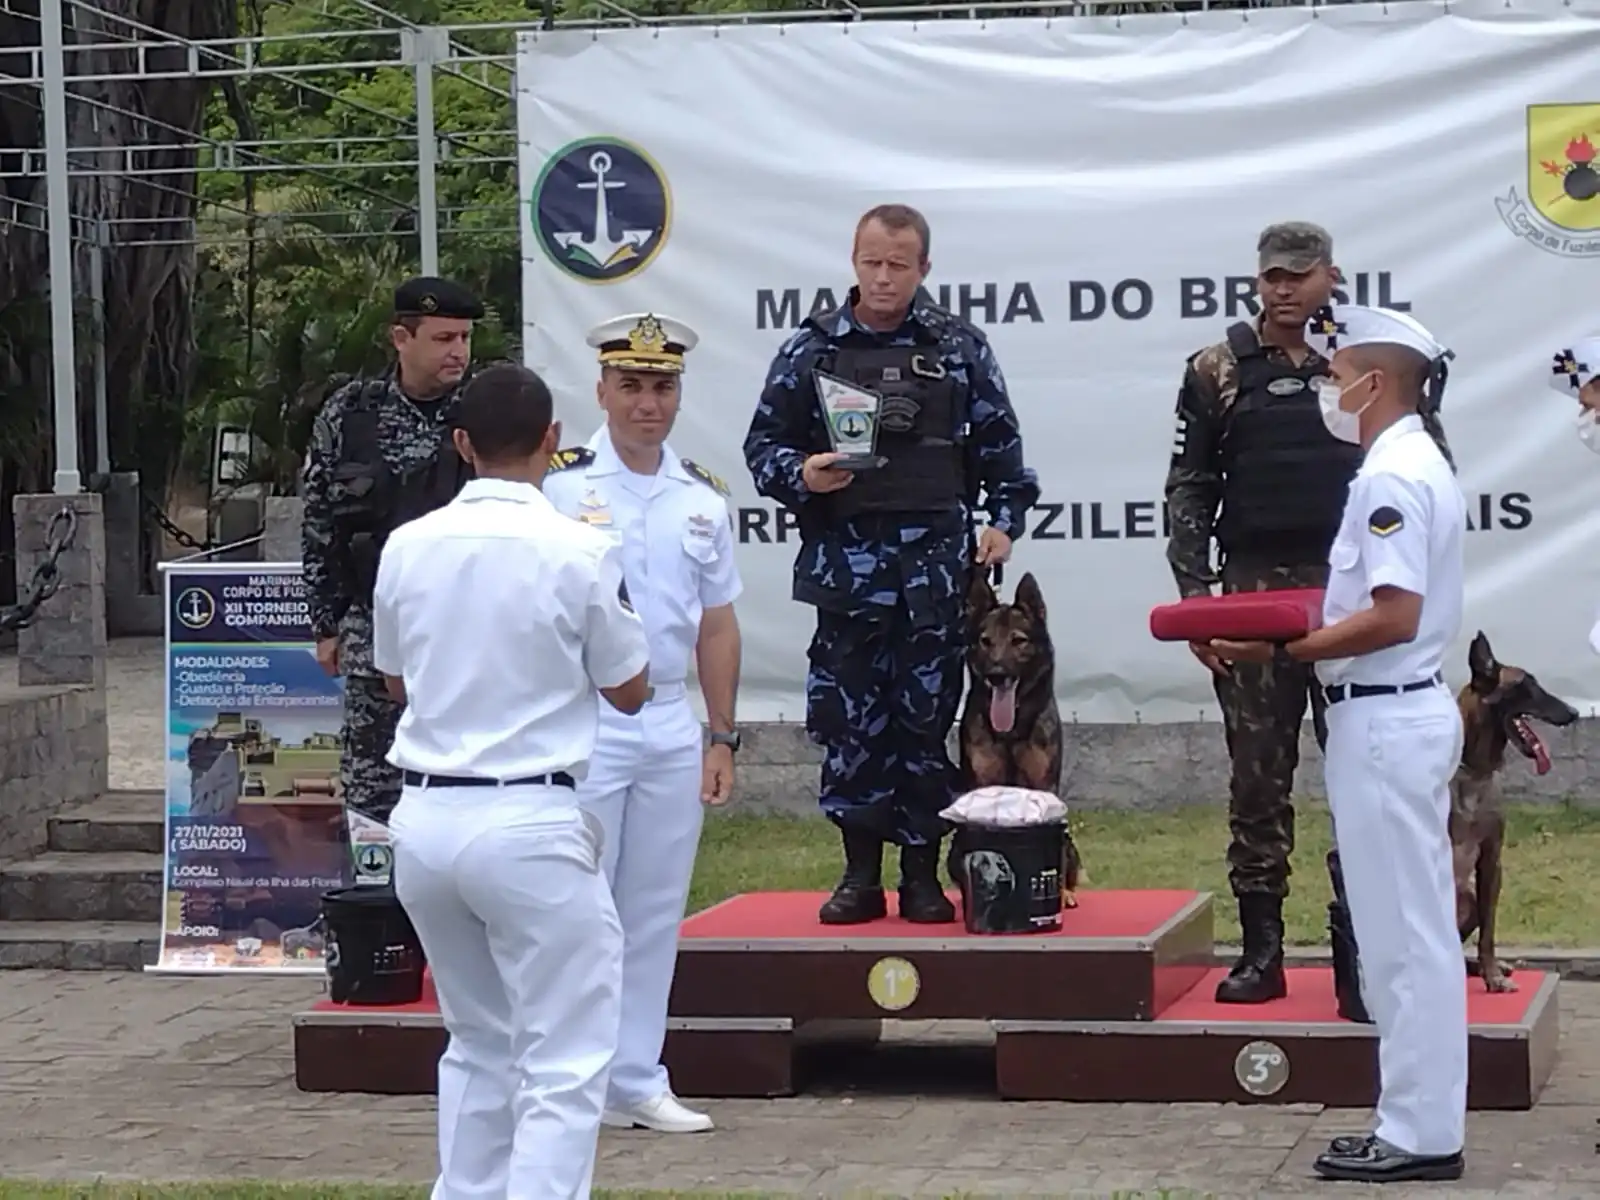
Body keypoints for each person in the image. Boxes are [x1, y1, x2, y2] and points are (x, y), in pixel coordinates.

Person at [372, 362, 652, 1199]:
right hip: (529, 814)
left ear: (460, 444)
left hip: (425, 815)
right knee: (564, 1060)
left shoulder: (407, 545)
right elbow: (631, 688)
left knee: (477, 1041)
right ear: (553, 442)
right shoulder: (581, 548)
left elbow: (394, 680)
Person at [1212, 304, 1468, 1184]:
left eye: (1338, 370)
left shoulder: (1393, 475)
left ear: (1376, 382)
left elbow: (1390, 615)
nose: (1328, 384)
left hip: (1388, 715)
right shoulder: (1402, 463)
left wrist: (1283, 650)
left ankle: (1421, 1131)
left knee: (1404, 941)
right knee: (1405, 934)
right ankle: (1416, 1120)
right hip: (1388, 714)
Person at [743, 203, 1040, 925]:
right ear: (853, 260)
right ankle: (857, 875)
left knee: (924, 727)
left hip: (935, 579)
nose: (882, 277)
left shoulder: (958, 347)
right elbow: (764, 448)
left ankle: (920, 876)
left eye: (898, 265)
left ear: (923, 269)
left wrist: (1002, 522)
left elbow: (1002, 453)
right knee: (851, 729)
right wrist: (802, 474)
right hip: (848, 577)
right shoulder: (810, 349)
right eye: (871, 262)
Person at [542, 312, 743, 1135]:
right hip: (585, 717)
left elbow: (718, 624)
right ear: (601, 390)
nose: (647, 404)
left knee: (654, 906)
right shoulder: (559, 486)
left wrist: (721, 733)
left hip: (666, 718)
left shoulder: (700, 497)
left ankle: (636, 1076)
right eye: (631, 386)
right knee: (579, 908)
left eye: (662, 387)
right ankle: (569, 1079)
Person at [1164, 221, 1360, 1004]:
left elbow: (1416, 464)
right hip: (1250, 596)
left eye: (1300, 275)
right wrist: (1194, 599)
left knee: (1361, 777)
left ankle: (1360, 949)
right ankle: (1262, 953)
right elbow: (1190, 486)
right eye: (1273, 276)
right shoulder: (1216, 369)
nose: (1285, 289)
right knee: (1256, 780)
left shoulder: (1364, 362)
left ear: (1330, 278)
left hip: (1348, 595)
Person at [300, 275, 483, 886]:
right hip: (371, 631)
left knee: (467, 783)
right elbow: (321, 522)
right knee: (374, 790)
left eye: (465, 337)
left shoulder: (485, 412)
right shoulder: (351, 414)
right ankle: (377, 919)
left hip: (469, 633)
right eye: (443, 338)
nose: (458, 351)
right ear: (400, 338)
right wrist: (326, 624)